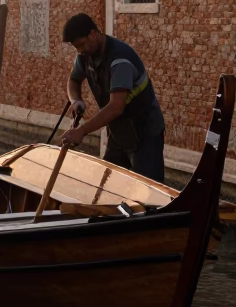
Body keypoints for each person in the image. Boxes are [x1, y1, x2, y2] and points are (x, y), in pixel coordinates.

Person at [60, 13, 165, 182]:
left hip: (145, 131)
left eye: (82, 44)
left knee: (149, 191)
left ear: (93, 34)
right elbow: (73, 80)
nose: (80, 50)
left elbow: (116, 106)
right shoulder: (85, 56)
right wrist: (76, 100)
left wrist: (81, 131)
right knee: (108, 185)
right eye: (76, 48)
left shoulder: (120, 59)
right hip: (119, 131)